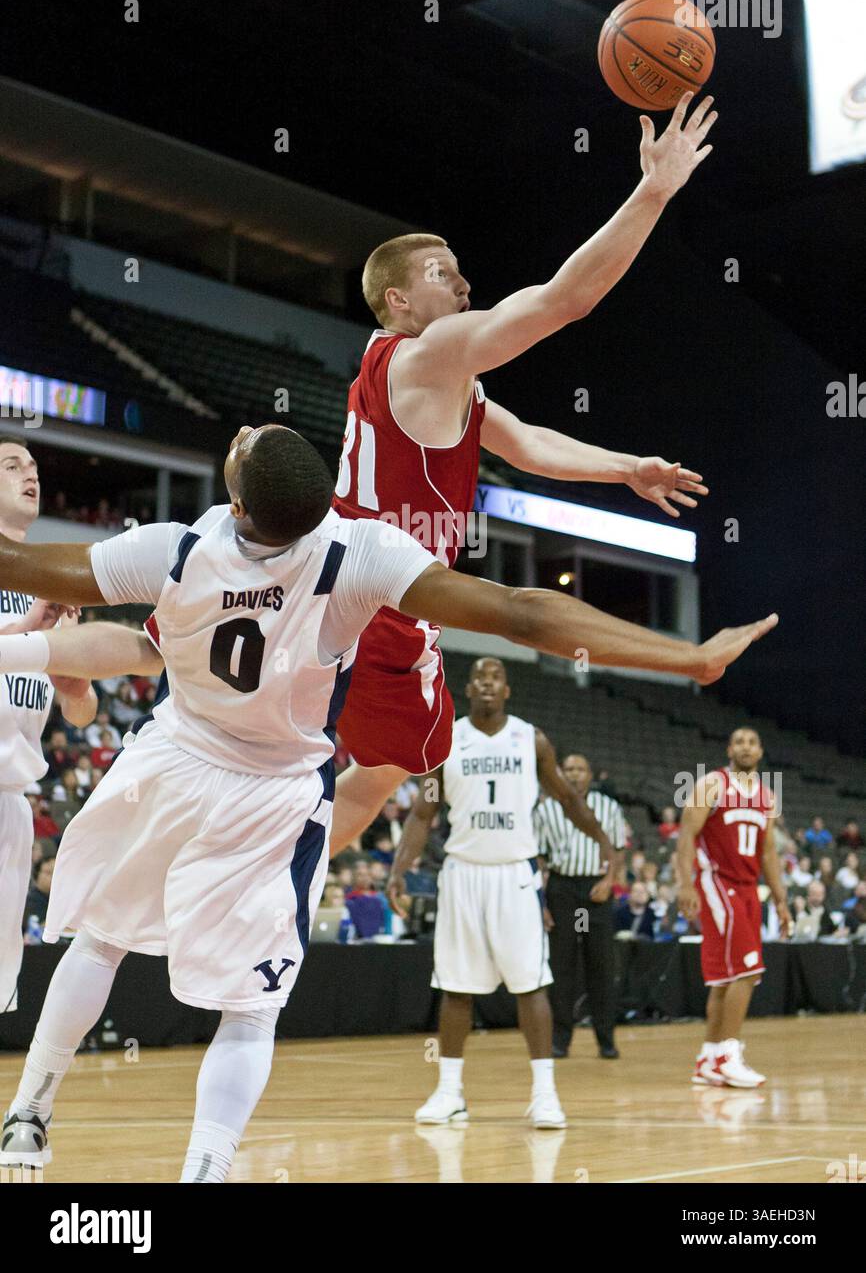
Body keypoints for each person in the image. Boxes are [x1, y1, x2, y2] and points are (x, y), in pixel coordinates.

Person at [0, 423, 775, 1179]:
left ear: (239, 509)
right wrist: (687, 657)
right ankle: (205, 1169)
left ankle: (31, 1112)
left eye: (244, 444)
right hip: (270, 795)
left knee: (100, 941)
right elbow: (520, 611)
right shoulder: (357, 553)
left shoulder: (170, 548)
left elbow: (20, 567)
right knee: (250, 1009)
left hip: (172, 763)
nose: (243, 430)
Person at [327, 91, 719, 850]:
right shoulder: (425, 354)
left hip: (358, 595)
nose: (465, 285)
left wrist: (624, 468)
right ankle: (243, 897)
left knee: (372, 772)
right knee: (358, 770)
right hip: (378, 603)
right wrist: (654, 191)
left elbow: (528, 443)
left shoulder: (431, 381)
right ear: (399, 300)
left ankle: (263, 886)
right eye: (445, 275)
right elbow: (564, 301)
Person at [389, 659, 614, 1129]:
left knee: (531, 983)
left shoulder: (530, 739)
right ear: (468, 688)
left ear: (507, 690)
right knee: (455, 986)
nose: (487, 683)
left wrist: (604, 843)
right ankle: (449, 1093)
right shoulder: (445, 739)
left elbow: (570, 800)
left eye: (496, 677)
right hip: (462, 873)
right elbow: (423, 813)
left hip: (515, 874)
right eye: (480, 677)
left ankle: (545, 1095)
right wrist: (399, 868)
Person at [0, 437, 98, 1017]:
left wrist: (75, 681)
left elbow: (80, 716)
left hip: (13, 799)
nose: (28, 474)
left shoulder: (47, 578)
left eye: (33, 467)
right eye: (11, 466)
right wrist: (27, 630)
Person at [676, 728, 791, 1090]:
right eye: (738, 741)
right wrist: (685, 884)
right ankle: (729, 1055)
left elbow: (769, 852)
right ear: (729, 749)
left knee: (726, 979)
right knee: (746, 971)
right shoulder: (712, 784)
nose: (745, 747)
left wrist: (781, 898)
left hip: (747, 889)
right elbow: (686, 835)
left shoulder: (767, 796)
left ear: (760, 751)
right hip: (716, 883)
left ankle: (709, 1059)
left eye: (752, 742)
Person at [533, 751, 626, 1060]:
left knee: (601, 965)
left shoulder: (608, 807)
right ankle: (560, 1039)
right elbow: (538, 858)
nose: (573, 774)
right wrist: (542, 902)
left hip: (594, 892)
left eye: (580, 769)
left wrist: (609, 880)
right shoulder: (545, 810)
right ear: (560, 773)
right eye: (568, 769)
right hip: (562, 890)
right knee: (562, 966)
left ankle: (606, 1039)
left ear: (589, 774)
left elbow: (617, 850)